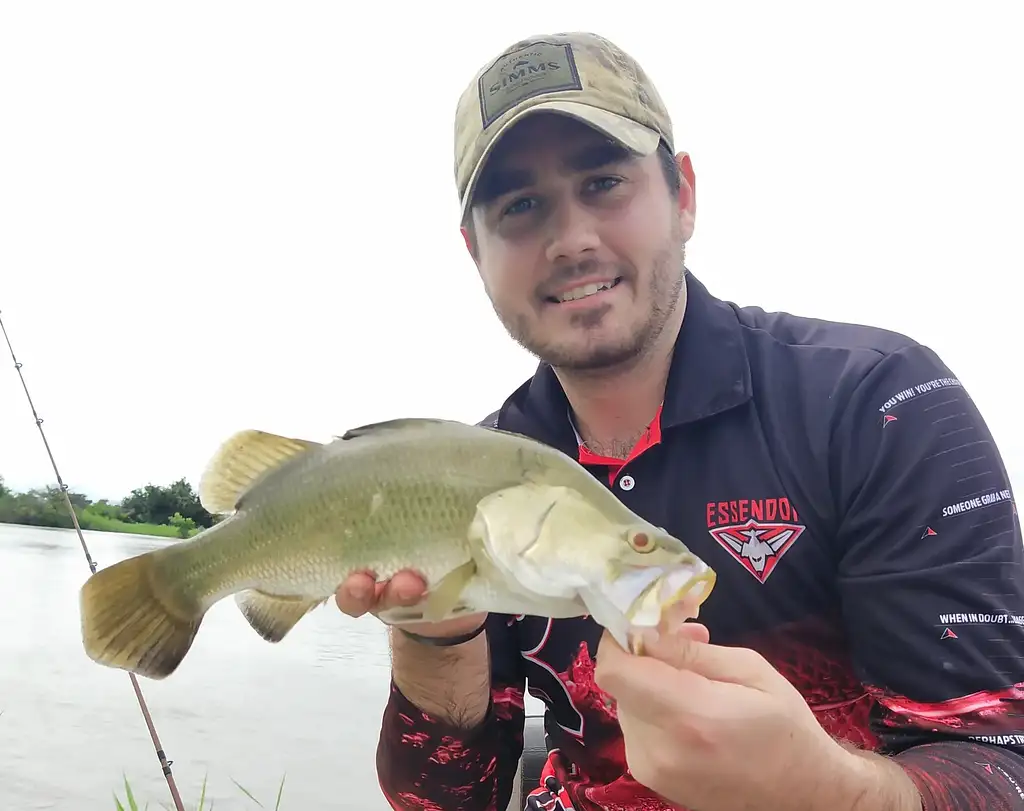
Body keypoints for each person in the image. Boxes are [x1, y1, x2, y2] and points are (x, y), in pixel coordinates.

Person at [335, 30, 1024, 811]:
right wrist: (436, 634)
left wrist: (827, 790)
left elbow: (999, 764)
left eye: (603, 183)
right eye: (520, 206)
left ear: (684, 193)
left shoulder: (884, 404)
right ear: (475, 251)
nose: (571, 240)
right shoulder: (476, 472)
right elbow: (451, 801)